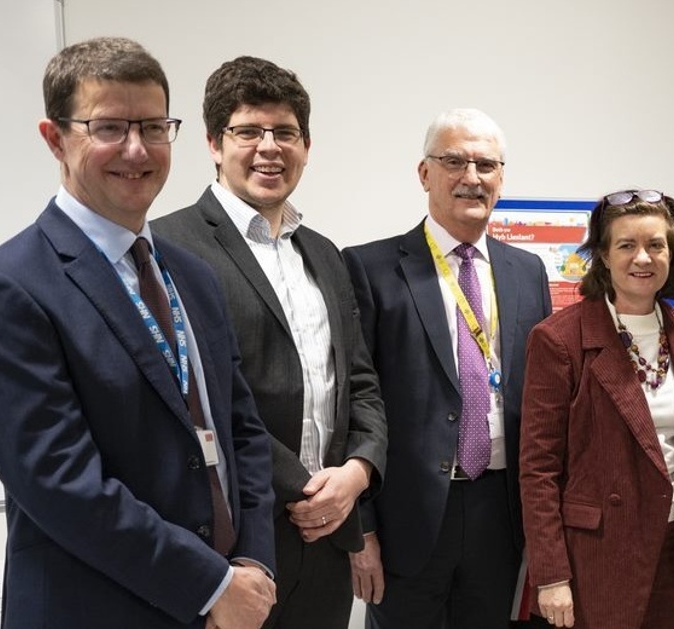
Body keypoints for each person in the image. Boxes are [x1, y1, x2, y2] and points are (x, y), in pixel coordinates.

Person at [0, 37, 276, 627]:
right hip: (98, 608)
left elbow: (243, 433)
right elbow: (61, 484)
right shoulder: (3, 288)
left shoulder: (194, 277)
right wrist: (210, 585)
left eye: (154, 126)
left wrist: (252, 564)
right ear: (55, 138)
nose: (137, 148)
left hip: (228, 603)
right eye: (109, 128)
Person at [150, 56, 388, 628]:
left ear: (307, 144)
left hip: (329, 540)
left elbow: (360, 382)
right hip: (235, 544)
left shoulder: (325, 253)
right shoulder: (168, 247)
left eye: (285, 132)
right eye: (248, 131)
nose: (269, 147)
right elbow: (196, 398)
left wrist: (357, 474)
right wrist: (309, 490)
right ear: (212, 142)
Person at [343, 108, 552, 628]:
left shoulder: (528, 272)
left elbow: (544, 402)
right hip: (406, 517)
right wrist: (360, 529)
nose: (471, 178)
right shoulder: (368, 268)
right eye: (454, 161)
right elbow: (354, 405)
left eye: (486, 164)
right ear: (424, 173)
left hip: (501, 512)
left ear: (501, 177)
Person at [519, 189, 674, 628]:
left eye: (655, 245)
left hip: (671, 545)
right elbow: (538, 470)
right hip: (596, 554)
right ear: (604, 257)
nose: (642, 258)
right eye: (626, 245)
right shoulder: (559, 340)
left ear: (672, 254)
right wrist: (551, 575)